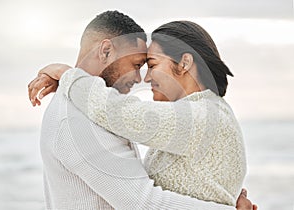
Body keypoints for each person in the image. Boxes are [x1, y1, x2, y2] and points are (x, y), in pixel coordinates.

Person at [28, 11, 257, 210]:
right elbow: (143, 203)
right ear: (106, 51)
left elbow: (126, 114)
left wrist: (68, 75)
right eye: (138, 65)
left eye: (151, 65)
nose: (142, 78)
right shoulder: (77, 116)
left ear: (185, 64)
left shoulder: (205, 116)